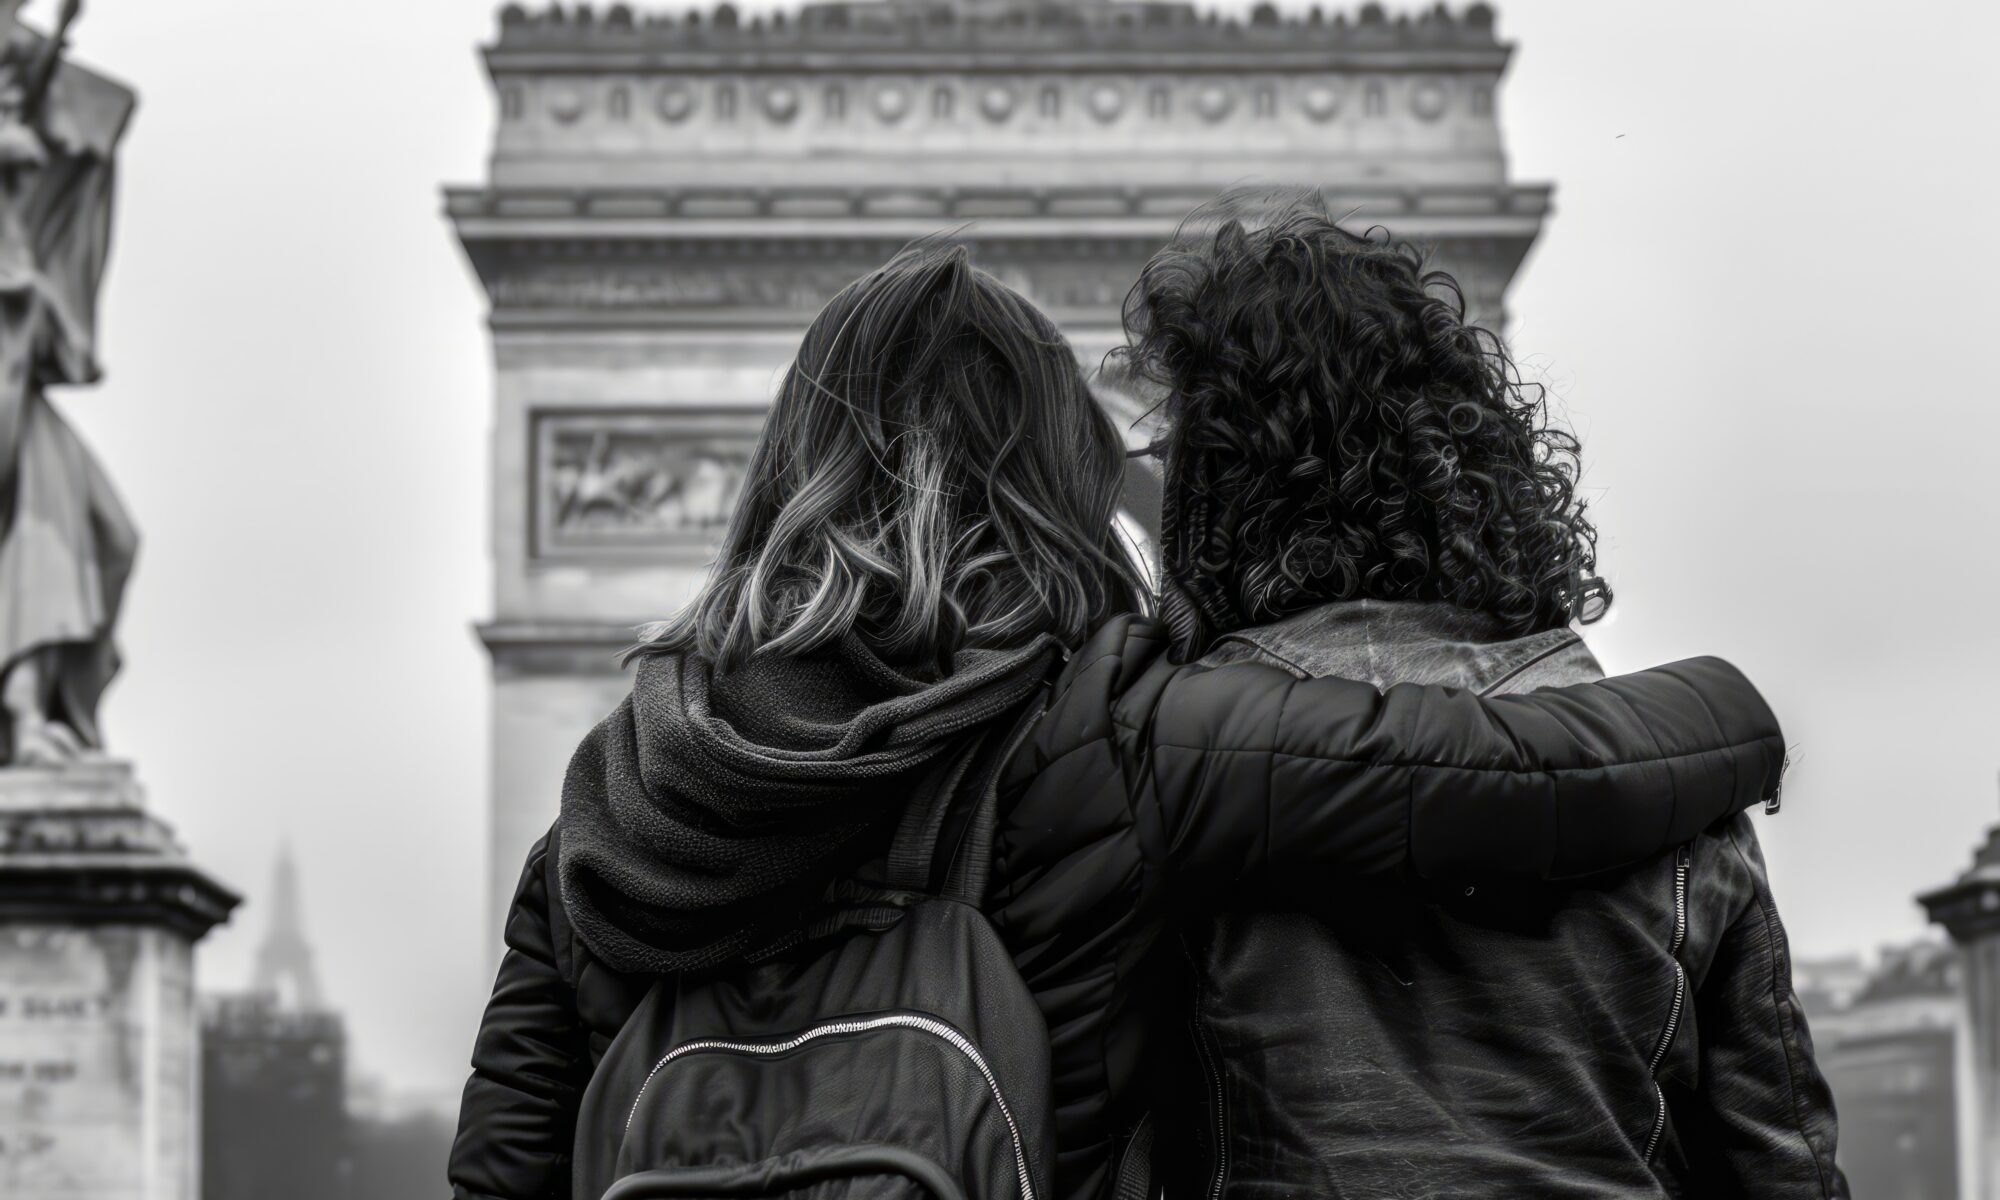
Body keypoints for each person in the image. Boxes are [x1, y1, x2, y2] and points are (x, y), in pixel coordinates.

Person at [448, 243, 1790, 1200]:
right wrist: (1714, 722)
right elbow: (1499, 775)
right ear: (1061, 470)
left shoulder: (620, 787)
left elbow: (507, 1158)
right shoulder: (1121, 730)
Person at [1118, 188, 1844, 1197]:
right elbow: (1781, 1166)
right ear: (1472, 460)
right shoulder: (1674, 779)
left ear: (1209, 490)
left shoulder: (1163, 777)